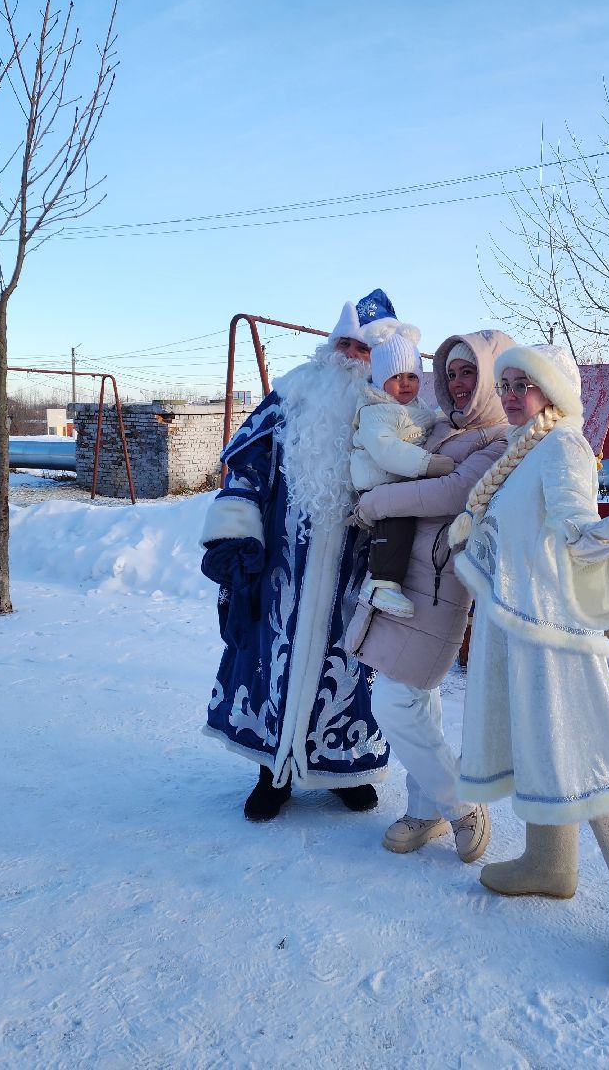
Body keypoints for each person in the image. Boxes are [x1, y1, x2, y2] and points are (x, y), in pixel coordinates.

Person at [448, 342, 609, 989]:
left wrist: (593, 537)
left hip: (557, 637)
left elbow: (573, 516)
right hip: (519, 632)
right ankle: (549, 862)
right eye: (510, 383)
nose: (517, 392)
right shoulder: (519, 451)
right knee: (538, 747)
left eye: (529, 382)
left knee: (595, 763)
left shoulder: (562, 448)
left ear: (554, 390)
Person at [199, 289, 397, 822]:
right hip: (284, 567)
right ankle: (274, 771)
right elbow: (245, 464)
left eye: (366, 350)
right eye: (347, 345)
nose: (354, 358)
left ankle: (343, 766)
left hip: (358, 569)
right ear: (331, 345)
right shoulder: (291, 396)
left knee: (350, 668)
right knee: (274, 661)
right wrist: (237, 534)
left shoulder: (394, 411)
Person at [347, 330, 512, 863]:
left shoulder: (500, 440)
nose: (459, 384)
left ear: (489, 378)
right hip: (403, 577)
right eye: (452, 373)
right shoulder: (439, 426)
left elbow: (451, 493)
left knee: (394, 701)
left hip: (439, 586)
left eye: (470, 373)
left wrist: (374, 502)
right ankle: (426, 810)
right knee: (420, 699)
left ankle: (461, 805)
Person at [349, 327, 455, 618]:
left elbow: (427, 421)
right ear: (381, 380)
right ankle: (381, 584)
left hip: (398, 481)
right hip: (379, 481)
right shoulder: (376, 411)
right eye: (395, 377)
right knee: (397, 523)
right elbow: (385, 449)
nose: (405, 384)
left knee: (408, 521)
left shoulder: (415, 406)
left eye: (411, 376)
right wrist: (427, 463)